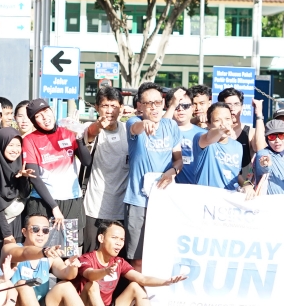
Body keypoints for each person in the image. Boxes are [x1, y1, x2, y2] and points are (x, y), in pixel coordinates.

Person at [3, 213, 112, 306]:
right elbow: (24, 253)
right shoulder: (11, 249)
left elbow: (67, 274)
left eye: (45, 230)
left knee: (65, 285)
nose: (40, 233)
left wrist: (72, 266)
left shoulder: (49, 255)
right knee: (24, 285)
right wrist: (44, 251)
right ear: (24, 232)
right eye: (35, 229)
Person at [75, 221, 186, 306]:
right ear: (101, 238)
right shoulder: (86, 259)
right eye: (114, 238)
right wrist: (105, 271)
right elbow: (90, 274)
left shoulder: (119, 261)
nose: (119, 243)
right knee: (92, 285)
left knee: (136, 286)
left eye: (122, 239)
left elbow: (142, 279)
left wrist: (166, 282)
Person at [126, 84, 182, 265]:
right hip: (138, 201)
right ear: (139, 106)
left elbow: (179, 160)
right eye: (148, 103)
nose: (154, 107)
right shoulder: (133, 122)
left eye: (157, 102)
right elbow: (136, 128)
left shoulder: (171, 125)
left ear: (163, 104)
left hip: (163, 200)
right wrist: (145, 124)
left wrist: (172, 171)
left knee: (161, 256)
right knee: (138, 260)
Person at [21, 98, 92, 234]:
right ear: (34, 121)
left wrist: (79, 137)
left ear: (52, 111)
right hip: (43, 203)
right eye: (38, 115)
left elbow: (87, 162)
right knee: (43, 244)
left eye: (46, 111)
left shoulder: (67, 132)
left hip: (72, 199)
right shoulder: (29, 140)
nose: (45, 117)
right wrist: (54, 207)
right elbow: (34, 177)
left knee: (70, 246)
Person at [0, 127, 56, 246]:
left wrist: (23, 178)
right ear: (1, 145)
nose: (15, 150)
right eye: (10, 145)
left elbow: (24, 194)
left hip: (20, 221)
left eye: (18, 145)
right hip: (1, 226)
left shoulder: (20, 164)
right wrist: (7, 234)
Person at [82, 87, 128, 252]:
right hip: (93, 207)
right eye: (105, 106)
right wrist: (98, 126)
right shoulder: (91, 128)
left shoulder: (128, 130)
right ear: (96, 107)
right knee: (91, 255)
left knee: (117, 258)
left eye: (114, 106)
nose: (109, 111)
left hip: (121, 209)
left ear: (121, 108)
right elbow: (89, 134)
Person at [195, 103, 253, 195]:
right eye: (217, 120)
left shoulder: (238, 146)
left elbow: (236, 174)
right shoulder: (201, 138)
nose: (224, 124)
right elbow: (209, 137)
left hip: (228, 200)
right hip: (205, 198)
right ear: (208, 124)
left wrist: (246, 184)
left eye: (227, 119)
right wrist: (221, 131)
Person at [172, 88, 204, 184]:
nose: (181, 109)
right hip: (168, 187)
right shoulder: (164, 132)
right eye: (176, 106)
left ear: (193, 108)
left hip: (196, 187)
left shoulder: (204, 134)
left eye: (185, 106)